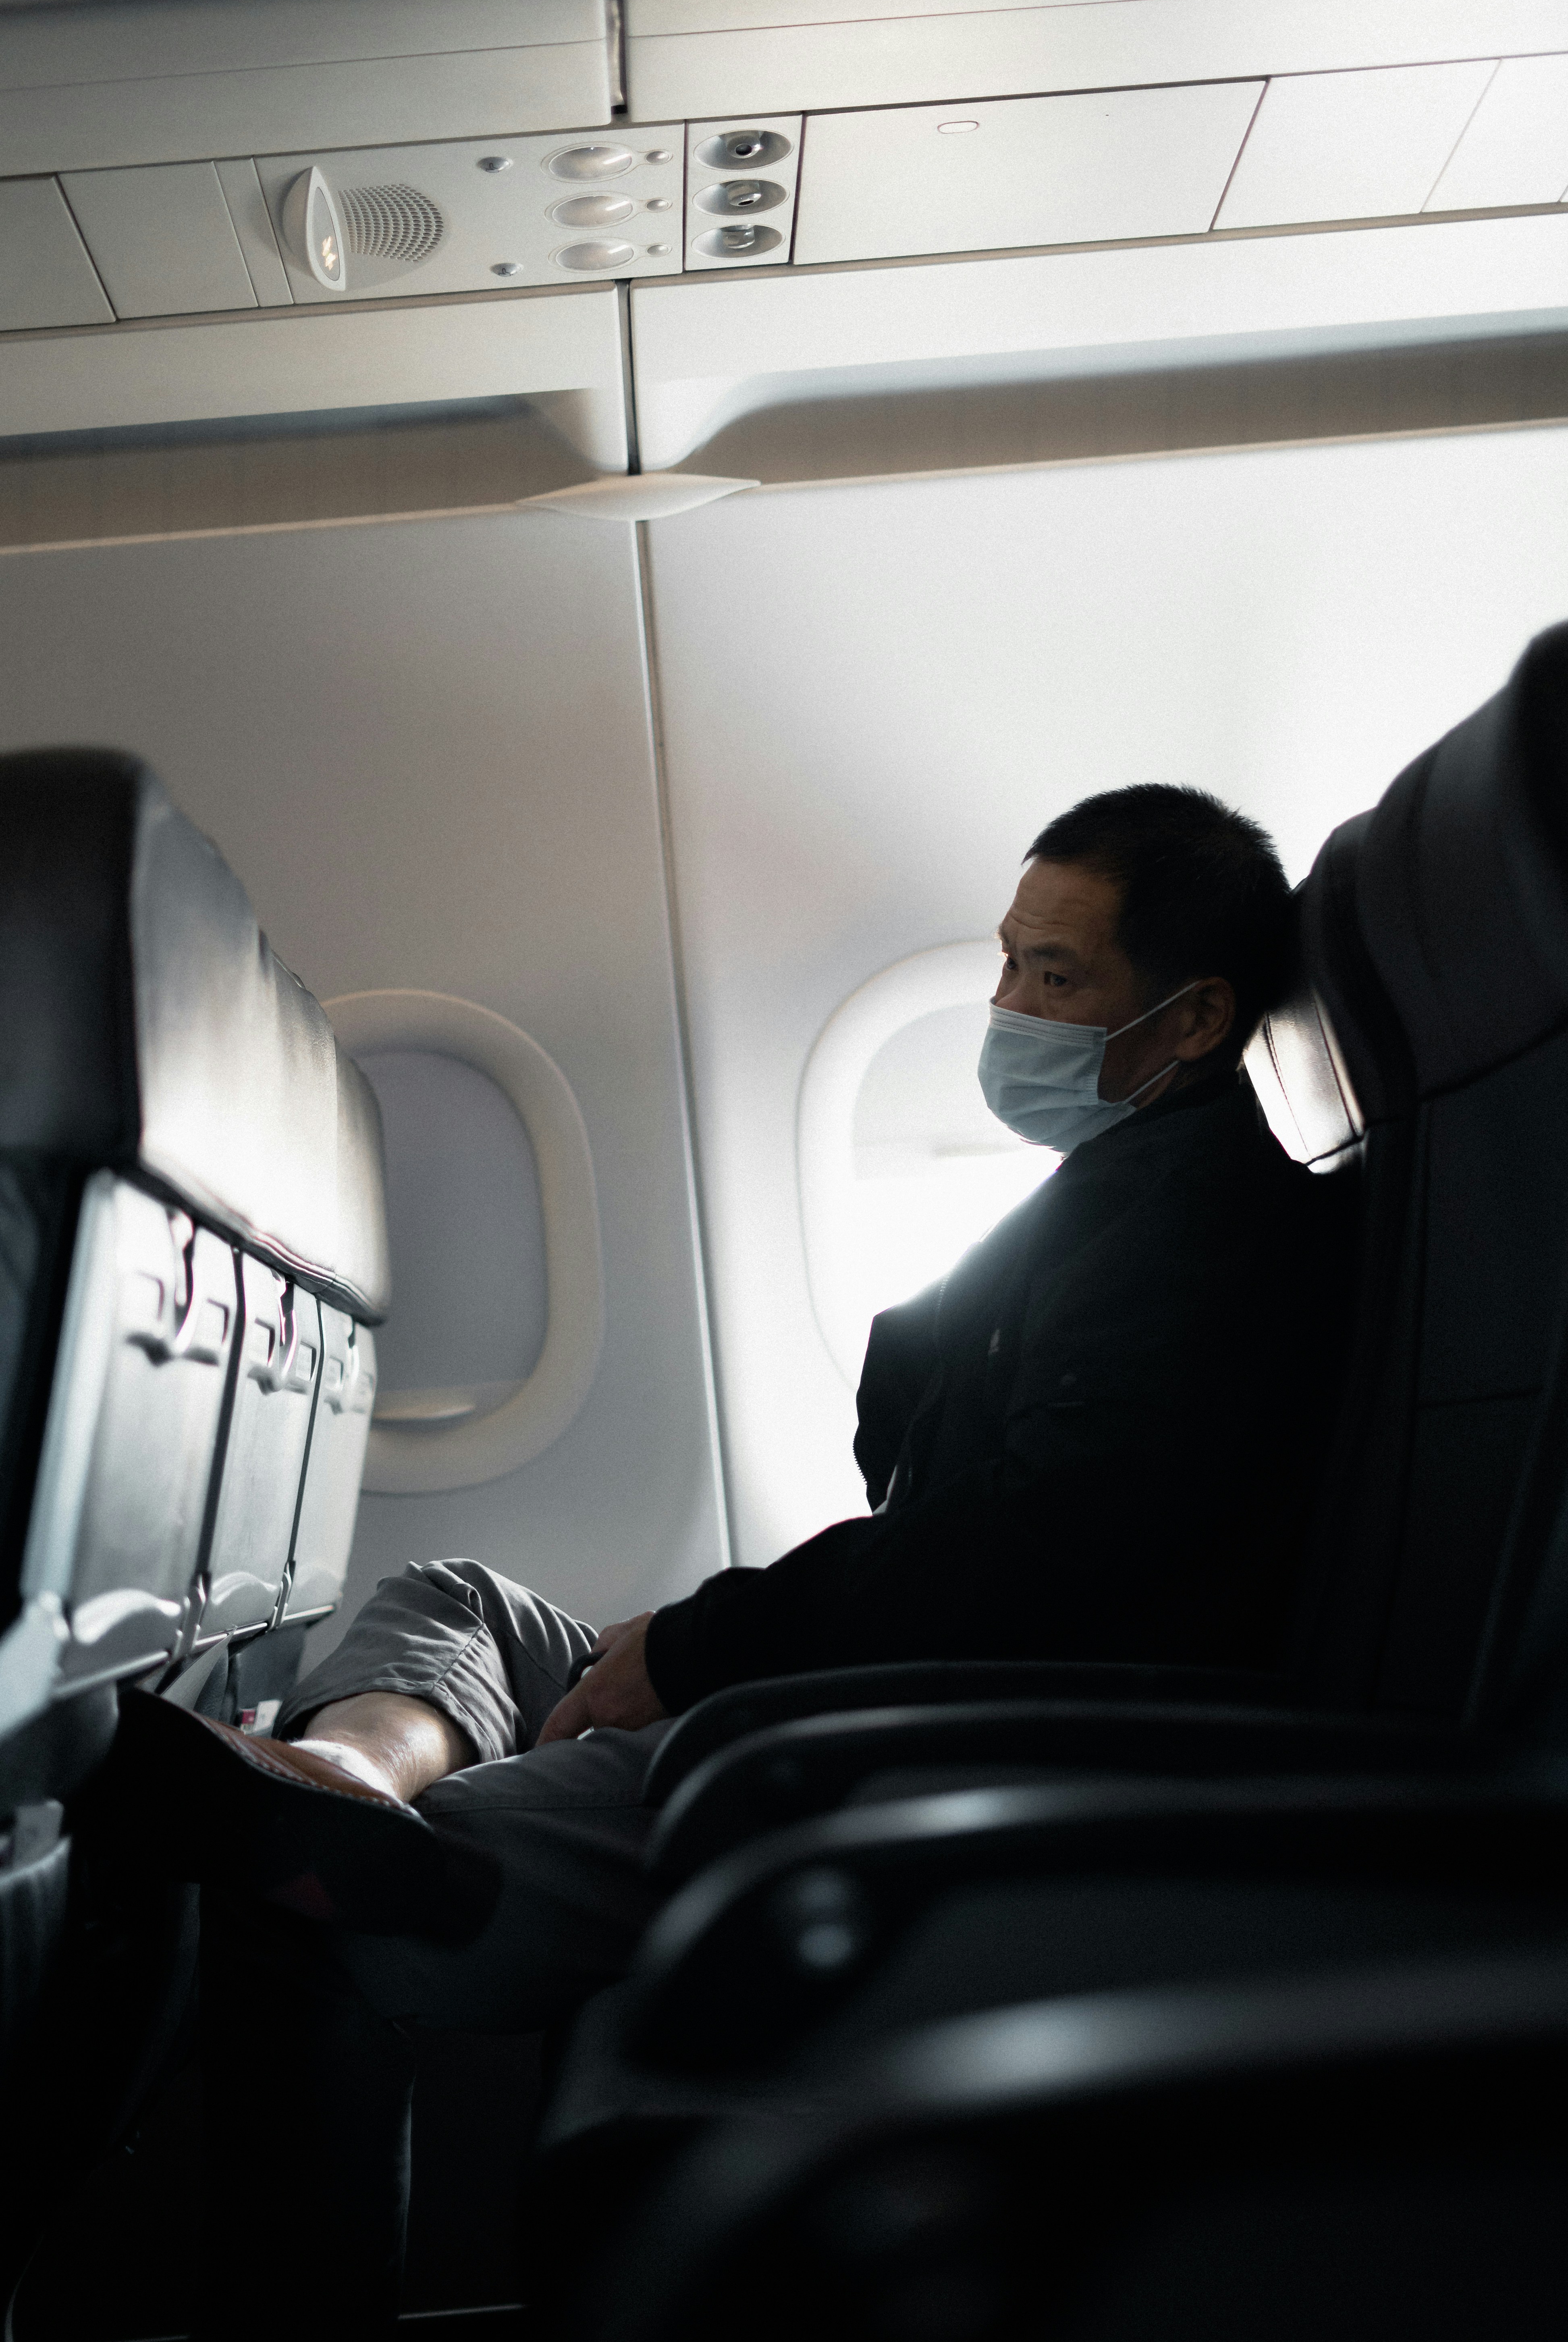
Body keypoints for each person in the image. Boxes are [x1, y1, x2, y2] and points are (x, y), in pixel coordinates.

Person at [125, 783, 1348, 2335]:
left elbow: (1031, 1553)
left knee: (295, 1914)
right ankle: (356, 1784)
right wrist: (700, 1631)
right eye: (1003, 962)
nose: (1006, 1010)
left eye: (1057, 979)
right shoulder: (1103, 1199)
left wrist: (704, 1649)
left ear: (1191, 1020)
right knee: (459, 1600)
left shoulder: (1205, 1231)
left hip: (900, 1752)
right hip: (865, 1677)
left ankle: (361, 1857)